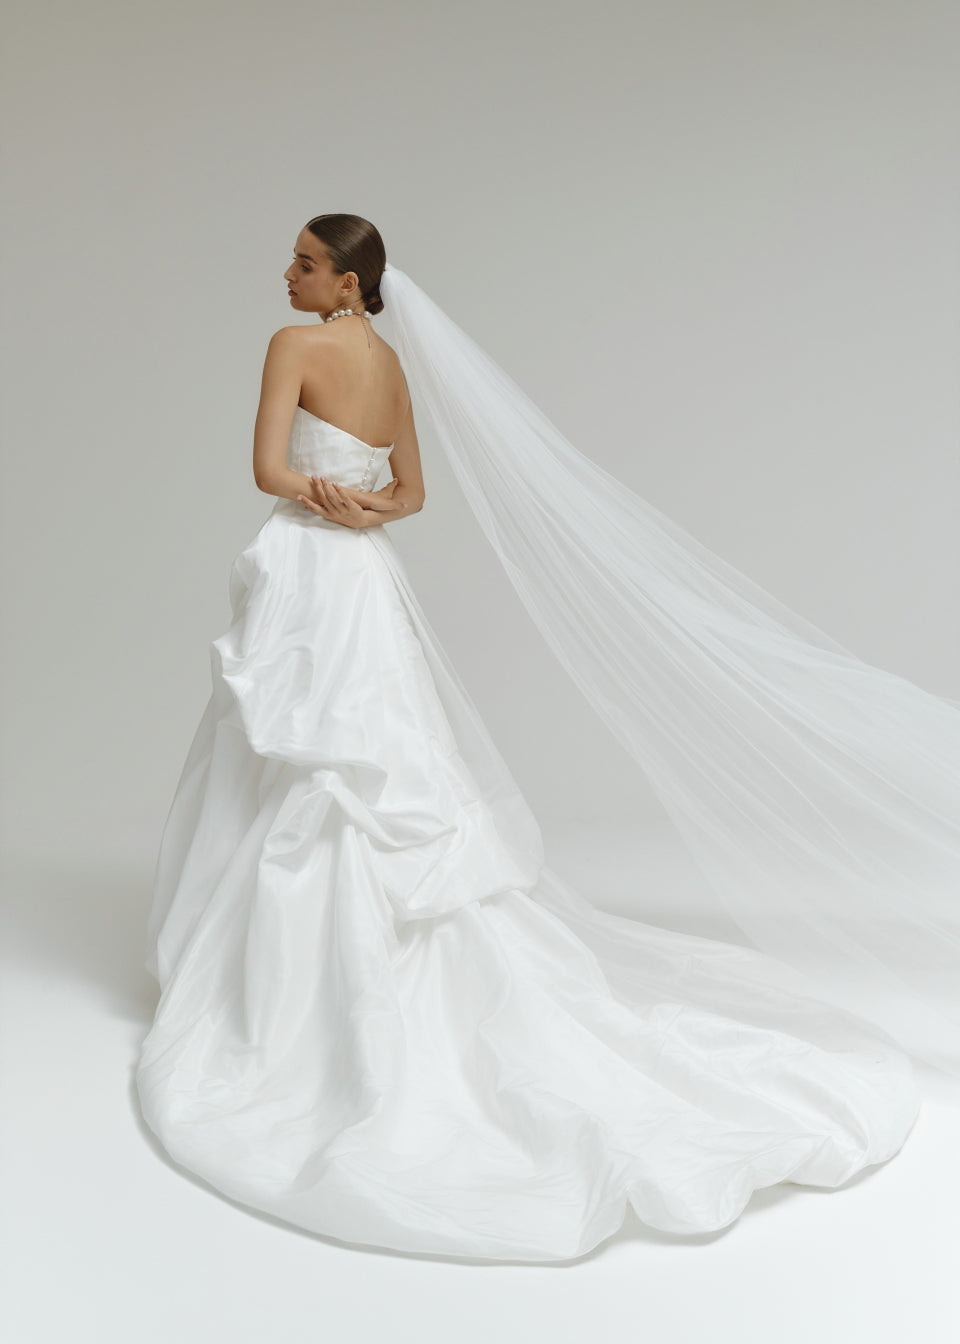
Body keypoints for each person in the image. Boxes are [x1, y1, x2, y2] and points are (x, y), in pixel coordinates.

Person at [136, 213, 959, 1263]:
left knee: (310, 758)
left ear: (347, 282)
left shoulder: (293, 346)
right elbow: (413, 497)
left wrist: (318, 496)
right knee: (354, 757)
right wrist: (364, 505)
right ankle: (299, 963)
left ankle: (276, 986)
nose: (286, 274)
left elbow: (266, 472)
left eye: (305, 262)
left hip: (308, 569)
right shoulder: (385, 361)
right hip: (364, 577)